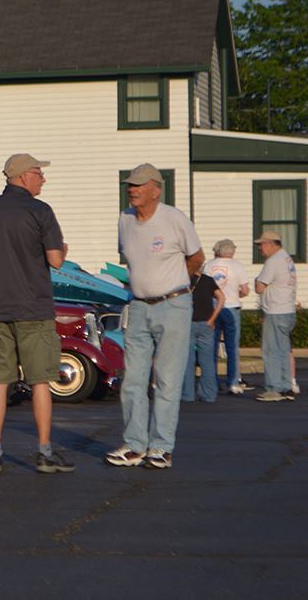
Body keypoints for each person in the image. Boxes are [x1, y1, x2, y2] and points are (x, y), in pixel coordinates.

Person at [0, 154, 74, 474]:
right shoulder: (40, 210)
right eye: (39, 174)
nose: (43, 179)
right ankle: (44, 453)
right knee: (41, 381)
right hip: (33, 308)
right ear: (24, 176)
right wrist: (63, 249)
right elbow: (56, 260)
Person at [108, 164, 203, 470]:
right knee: (132, 380)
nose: (131, 189)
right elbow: (131, 259)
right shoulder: (124, 219)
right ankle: (135, 446)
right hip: (137, 306)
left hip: (173, 305)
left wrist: (172, 285)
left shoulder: (174, 218)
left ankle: (161, 448)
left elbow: (197, 258)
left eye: (138, 185)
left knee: (167, 380)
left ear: (156, 189)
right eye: (129, 185)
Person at [253, 231, 297, 402]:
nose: (260, 248)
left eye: (261, 244)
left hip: (275, 311)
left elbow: (259, 287)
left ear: (272, 244)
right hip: (288, 310)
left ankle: (275, 388)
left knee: (271, 351)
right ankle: (287, 387)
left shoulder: (273, 261)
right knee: (284, 350)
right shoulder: (287, 259)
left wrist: (258, 279)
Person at [202, 240, 249, 394]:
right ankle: (233, 382)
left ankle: (212, 381)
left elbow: (202, 287)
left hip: (213, 309)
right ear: (232, 252)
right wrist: (237, 295)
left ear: (218, 251)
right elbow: (245, 290)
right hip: (231, 307)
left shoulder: (208, 266)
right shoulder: (238, 266)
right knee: (232, 347)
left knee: (212, 347)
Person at [182, 266, 224, 402]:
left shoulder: (183, 280)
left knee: (188, 361)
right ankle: (209, 394)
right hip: (206, 323)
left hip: (188, 323)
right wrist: (212, 319)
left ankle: (187, 394)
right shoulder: (208, 280)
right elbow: (221, 298)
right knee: (207, 361)